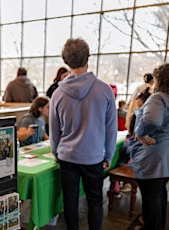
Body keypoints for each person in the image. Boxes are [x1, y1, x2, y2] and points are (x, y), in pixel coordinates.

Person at [49, 38, 117, 230]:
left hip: (67, 157)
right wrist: (109, 154)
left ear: (66, 61)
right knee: (95, 200)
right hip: (93, 155)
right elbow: (111, 128)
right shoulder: (105, 90)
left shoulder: (57, 94)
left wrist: (56, 153)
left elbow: (54, 132)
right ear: (88, 58)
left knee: (70, 202)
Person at [131, 63, 169, 230]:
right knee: (159, 192)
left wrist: (140, 132)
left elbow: (152, 120)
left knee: (150, 197)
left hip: (157, 152)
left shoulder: (159, 97)